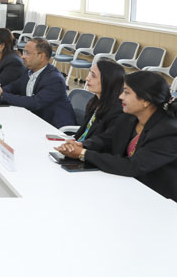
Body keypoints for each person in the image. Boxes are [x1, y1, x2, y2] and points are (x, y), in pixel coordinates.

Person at [56, 71, 177, 202]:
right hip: (126, 186)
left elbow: (133, 166)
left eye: (126, 92)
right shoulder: (129, 117)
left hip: (156, 197)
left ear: (145, 100)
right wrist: (81, 145)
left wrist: (83, 153)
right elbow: (106, 139)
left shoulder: (168, 131)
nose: (120, 96)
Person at [0, 38, 75, 128]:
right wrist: (1, 90)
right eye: (23, 52)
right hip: (34, 121)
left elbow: (35, 103)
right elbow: (15, 86)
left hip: (55, 128)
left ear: (41, 56)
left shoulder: (55, 79)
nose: (23, 56)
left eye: (27, 53)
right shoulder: (29, 71)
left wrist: (2, 96)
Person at [71, 59, 126, 145]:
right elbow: (83, 132)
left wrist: (80, 147)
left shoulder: (117, 111)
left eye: (93, 76)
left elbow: (104, 144)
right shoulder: (94, 102)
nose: (87, 78)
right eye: (90, 73)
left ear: (108, 81)